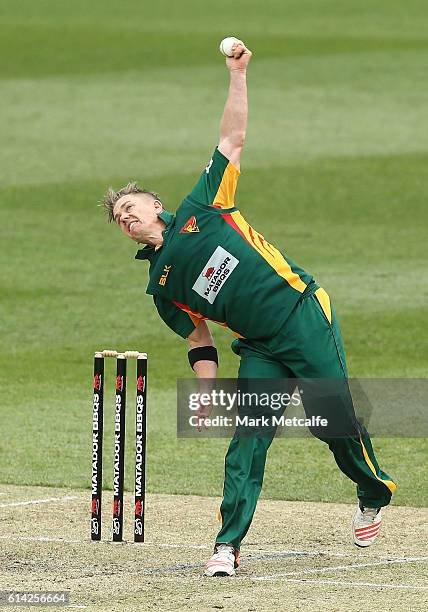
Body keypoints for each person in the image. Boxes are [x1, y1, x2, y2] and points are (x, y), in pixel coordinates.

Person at [102, 40, 396, 577]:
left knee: (333, 421)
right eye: (119, 218)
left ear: (155, 206)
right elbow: (198, 339)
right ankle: (227, 546)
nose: (126, 216)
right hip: (259, 345)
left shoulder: (203, 207)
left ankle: (373, 491)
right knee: (246, 443)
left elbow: (231, 138)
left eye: (130, 206)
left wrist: (237, 73)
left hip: (303, 314)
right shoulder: (159, 285)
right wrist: (209, 390)